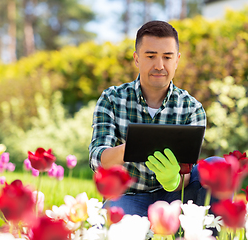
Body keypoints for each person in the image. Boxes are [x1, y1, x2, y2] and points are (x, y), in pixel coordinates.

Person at [89, 20, 207, 217]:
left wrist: (173, 180)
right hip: (128, 196)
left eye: (167, 57)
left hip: (176, 195)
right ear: (137, 59)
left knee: (214, 164)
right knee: (111, 229)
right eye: (151, 56)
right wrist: (135, 146)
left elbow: (188, 174)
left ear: (177, 60)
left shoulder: (192, 108)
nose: (159, 65)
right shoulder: (112, 99)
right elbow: (97, 159)